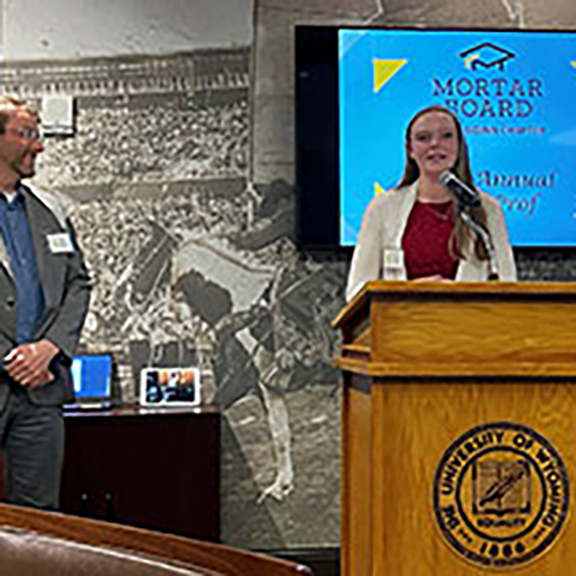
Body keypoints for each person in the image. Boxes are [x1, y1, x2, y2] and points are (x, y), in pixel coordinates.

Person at [0, 96, 91, 509]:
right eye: (27, 134)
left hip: (42, 393)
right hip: (17, 374)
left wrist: (47, 350)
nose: (39, 146)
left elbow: (78, 284)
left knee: (39, 526)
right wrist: (13, 360)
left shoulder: (52, 210)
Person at [346, 105, 516, 300]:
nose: (435, 144)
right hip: (403, 325)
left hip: (469, 327)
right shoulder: (383, 208)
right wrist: (412, 291)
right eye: (423, 138)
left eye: (446, 136)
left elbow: (509, 286)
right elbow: (357, 292)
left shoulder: (486, 208)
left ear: (459, 145)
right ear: (410, 149)